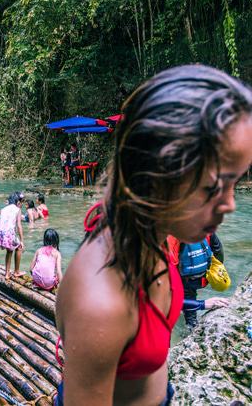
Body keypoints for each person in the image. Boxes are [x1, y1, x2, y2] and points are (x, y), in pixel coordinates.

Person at [55, 64, 252, 406]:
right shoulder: (101, 305)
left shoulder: (150, 232)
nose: (230, 205)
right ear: (155, 175)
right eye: (214, 187)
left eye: (236, 182)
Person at [171, 232, 225, 328]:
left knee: (184, 298)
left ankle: (190, 326)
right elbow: (218, 250)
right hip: (203, 275)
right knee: (188, 296)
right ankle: (191, 322)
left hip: (185, 277)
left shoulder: (171, 235)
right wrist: (215, 271)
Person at [0, 192, 25, 279]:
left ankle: (7, 273)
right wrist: (22, 240)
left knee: (9, 251)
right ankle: (16, 272)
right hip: (9, 234)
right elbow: (19, 226)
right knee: (19, 247)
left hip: (1, 234)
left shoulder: (4, 209)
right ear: (17, 202)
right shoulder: (17, 209)